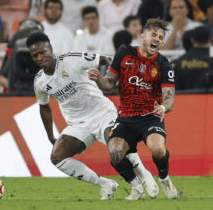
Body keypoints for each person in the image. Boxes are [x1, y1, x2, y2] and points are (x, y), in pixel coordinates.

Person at [28, 32, 159, 200]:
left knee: (116, 149)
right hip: (78, 123)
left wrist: (108, 79)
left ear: (51, 48)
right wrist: (51, 136)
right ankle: (110, 185)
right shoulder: (39, 82)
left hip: (102, 112)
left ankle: (144, 173)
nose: (39, 57)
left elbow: (107, 59)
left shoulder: (72, 59)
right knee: (57, 157)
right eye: (35, 55)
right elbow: (44, 107)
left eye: (42, 52)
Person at [88, 18, 178, 200]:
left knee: (158, 149)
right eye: (154, 35)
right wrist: (98, 79)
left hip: (150, 116)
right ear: (143, 36)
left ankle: (164, 178)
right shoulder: (124, 53)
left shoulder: (163, 64)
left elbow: (169, 99)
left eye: (161, 37)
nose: (157, 39)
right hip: (126, 118)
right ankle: (136, 188)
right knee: (115, 152)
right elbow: (108, 84)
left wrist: (163, 107)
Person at [172, 26, 213, 90]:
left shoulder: (177, 63)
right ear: (209, 39)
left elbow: (173, 89)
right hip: (209, 99)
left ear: (192, 40)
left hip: (185, 99)